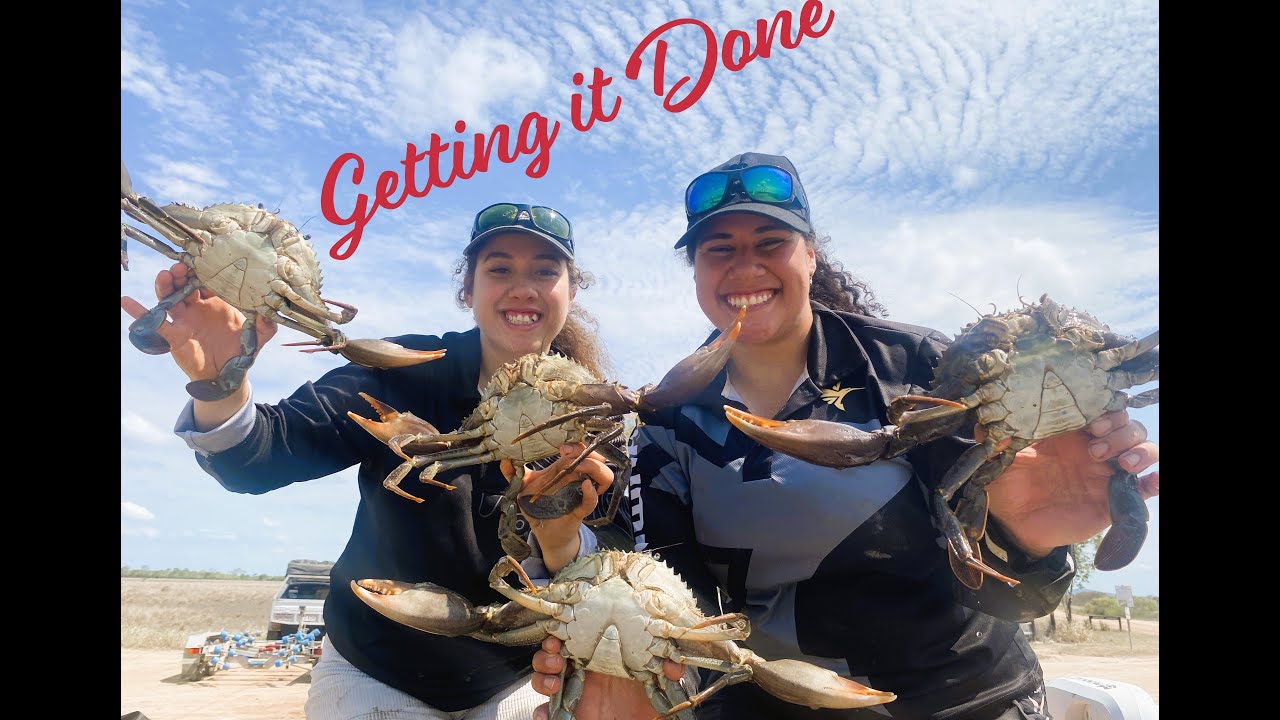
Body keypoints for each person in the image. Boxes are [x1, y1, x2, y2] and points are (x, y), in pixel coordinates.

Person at [528, 152, 1160, 720]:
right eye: (718, 249)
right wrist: (619, 667)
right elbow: (675, 599)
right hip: (772, 707)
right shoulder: (666, 416)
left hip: (964, 698)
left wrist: (1026, 539)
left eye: (771, 242)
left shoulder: (918, 366)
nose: (745, 266)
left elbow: (1017, 597)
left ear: (811, 254)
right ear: (694, 270)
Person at [121, 201, 632, 720]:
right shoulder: (400, 373)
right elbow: (261, 458)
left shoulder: (598, 416)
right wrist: (220, 385)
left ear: (571, 291)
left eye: (545, 272)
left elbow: (619, 553)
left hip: (520, 676)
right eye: (499, 268)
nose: (523, 287)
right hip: (374, 669)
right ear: (468, 290)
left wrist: (559, 540)